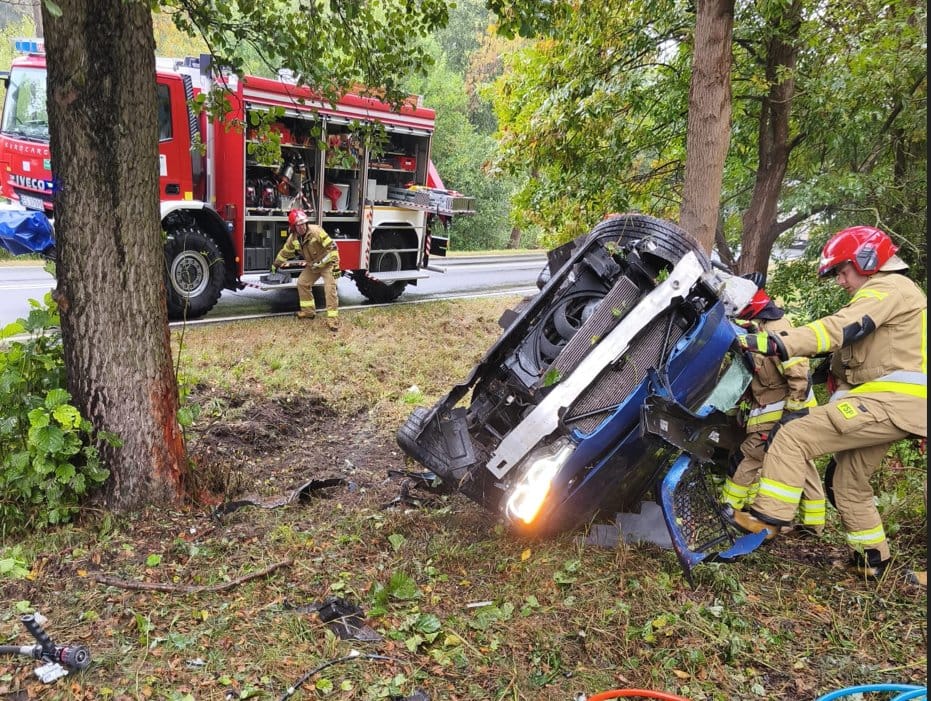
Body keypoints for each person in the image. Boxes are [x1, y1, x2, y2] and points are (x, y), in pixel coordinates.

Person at [732, 226, 927, 580]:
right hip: (897, 406)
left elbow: (839, 328)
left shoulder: (888, 288)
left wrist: (776, 343)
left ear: (867, 260)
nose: (840, 280)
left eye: (842, 270)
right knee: (849, 483)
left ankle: (767, 518)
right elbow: (858, 354)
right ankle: (873, 561)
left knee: (792, 435)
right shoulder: (895, 294)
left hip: (890, 403)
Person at [722, 273, 823, 535]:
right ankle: (814, 524)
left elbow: (797, 372)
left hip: (785, 411)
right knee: (803, 463)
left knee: (748, 456)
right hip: (779, 410)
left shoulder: (778, 329)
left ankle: (727, 509)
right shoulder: (758, 328)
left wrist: (791, 415)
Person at [273, 209, 340, 330]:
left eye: (304, 224)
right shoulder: (293, 238)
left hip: (328, 264)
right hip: (313, 265)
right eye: (299, 225)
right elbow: (285, 253)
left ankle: (332, 320)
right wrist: (275, 265)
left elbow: (333, 248)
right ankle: (308, 312)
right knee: (302, 283)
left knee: (330, 289)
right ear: (293, 227)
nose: (302, 227)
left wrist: (332, 265)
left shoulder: (316, 231)